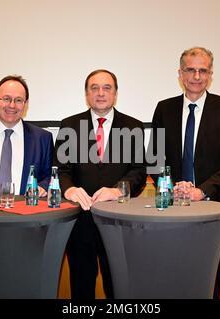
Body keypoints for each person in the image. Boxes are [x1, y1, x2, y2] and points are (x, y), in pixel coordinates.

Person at [150, 47, 220, 298]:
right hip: (169, 208)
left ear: (211, 74)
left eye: (203, 70)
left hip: (212, 208)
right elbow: (154, 159)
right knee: (170, 276)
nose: (196, 76)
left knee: (208, 278)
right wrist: (169, 187)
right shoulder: (164, 109)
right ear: (180, 74)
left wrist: (201, 190)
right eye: (190, 70)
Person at [53, 69, 147, 299]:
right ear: (87, 94)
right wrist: (70, 189)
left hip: (119, 221)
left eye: (107, 88)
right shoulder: (70, 125)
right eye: (94, 88)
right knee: (81, 287)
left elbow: (139, 171)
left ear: (115, 94)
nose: (101, 93)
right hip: (80, 221)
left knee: (118, 286)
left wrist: (118, 190)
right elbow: (61, 170)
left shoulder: (133, 126)